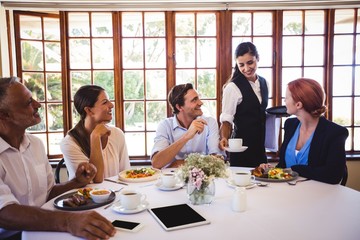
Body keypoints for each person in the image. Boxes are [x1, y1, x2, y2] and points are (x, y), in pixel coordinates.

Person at [0, 77, 116, 240]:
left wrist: (77, 182)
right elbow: (4, 213)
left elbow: (47, 193)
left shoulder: (35, 145)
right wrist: (68, 222)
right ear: (4, 115)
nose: (38, 105)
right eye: (28, 102)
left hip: (46, 227)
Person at [260, 78, 348, 184]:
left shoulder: (335, 132)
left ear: (298, 105)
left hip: (319, 195)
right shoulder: (290, 125)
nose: (284, 101)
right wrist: (271, 170)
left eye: (286, 98)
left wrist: (296, 170)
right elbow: (283, 166)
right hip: (286, 193)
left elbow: (333, 176)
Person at [61, 85, 130, 183]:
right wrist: (95, 137)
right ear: (89, 110)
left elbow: (125, 174)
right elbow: (95, 181)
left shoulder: (117, 134)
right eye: (105, 102)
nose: (112, 105)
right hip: (86, 197)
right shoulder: (69, 144)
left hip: (117, 195)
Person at [151, 83, 224, 169]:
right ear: (179, 107)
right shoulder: (165, 126)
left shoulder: (209, 123)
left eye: (198, 98)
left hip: (205, 180)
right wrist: (186, 136)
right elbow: (156, 163)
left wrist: (178, 163)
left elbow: (218, 160)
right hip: (172, 180)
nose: (200, 103)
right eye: (194, 100)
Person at [219, 42, 269, 167]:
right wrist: (224, 137)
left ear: (257, 58)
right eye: (241, 65)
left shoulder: (264, 83)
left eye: (250, 62)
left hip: (260, 148)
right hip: (240, 149)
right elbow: (226, 120)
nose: (246, 69)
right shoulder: (232, 87)